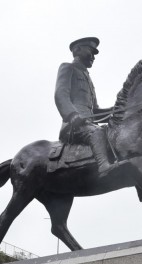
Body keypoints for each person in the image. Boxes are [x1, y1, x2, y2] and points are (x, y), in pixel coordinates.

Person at [54, 37, 118, 175]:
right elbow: (60, 95)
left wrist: (115, 111)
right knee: (97, 132)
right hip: (74, 127)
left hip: (89, 125)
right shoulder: (68, 68)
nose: (93, 57)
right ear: (77, 50)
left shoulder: (88, 79)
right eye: (91, 51)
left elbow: (94, 111)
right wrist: (72, 115)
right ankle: (104, 167)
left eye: (95, 54)